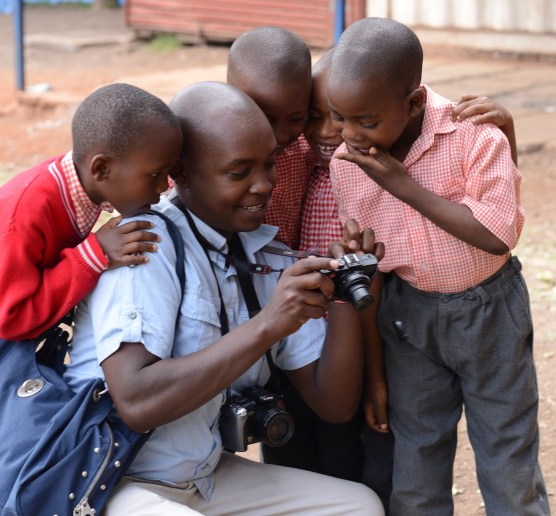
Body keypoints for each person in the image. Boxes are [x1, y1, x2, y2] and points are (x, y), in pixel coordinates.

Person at [63, 81, 385, 515]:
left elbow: (333, 404)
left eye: (269, 164)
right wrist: (268, 323)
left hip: (201, 476)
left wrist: (348, 290)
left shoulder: (265, 257)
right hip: (114, 481)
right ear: (181, 175)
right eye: (239, 172)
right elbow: (136, 401)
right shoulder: (146, 245)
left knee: (357, 506)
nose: (263, 185)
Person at [0, 82, 182, 516]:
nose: (165, 186)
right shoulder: (27, 211)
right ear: (102, 168)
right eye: (156, 173)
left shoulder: (81, 192)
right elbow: (13, 317)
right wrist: (93, 256)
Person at [328, 17, 549, 515]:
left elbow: (496, 236)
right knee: (417, 455)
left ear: (413, 104)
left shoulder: (473, 133)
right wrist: (375, 371)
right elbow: (374, 270)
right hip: (409, 319)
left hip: (490, 310)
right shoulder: (348, 164)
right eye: (339, 117)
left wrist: (403, 185)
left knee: (507, 452)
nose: (349, 135)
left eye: (365, 120)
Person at [227, 26, 315, 249]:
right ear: (231, 95)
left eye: (297, 118)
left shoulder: (307, 150)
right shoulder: (212, 152)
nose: (281, 135)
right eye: (267, 118)